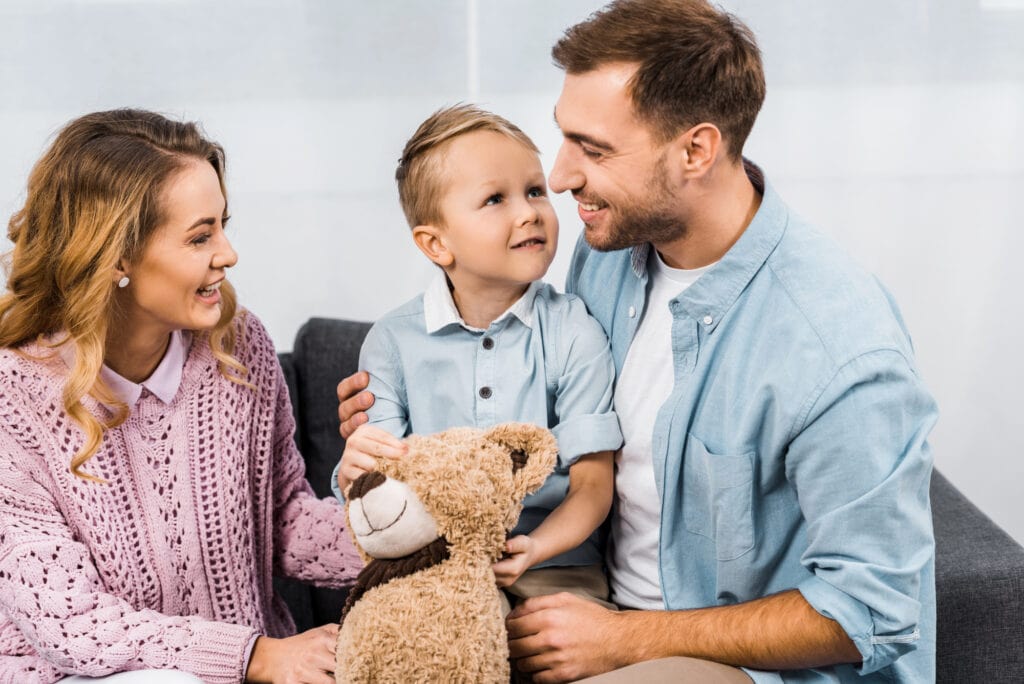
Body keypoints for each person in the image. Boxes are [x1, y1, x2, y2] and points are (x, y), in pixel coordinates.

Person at [337, 1, 938, 683]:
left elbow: (869, 613)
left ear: (696, 150)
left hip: (740, 666)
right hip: (589, 613)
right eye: (565, 140)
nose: (560, 179)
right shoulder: (613, 254)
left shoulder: (836, 349)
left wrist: (626, 640)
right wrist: (395, 439)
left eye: (592, 150)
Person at [0, 109, 362, 684]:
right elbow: (70, 623)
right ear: (115, 255)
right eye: (200, 236)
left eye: (223, 224)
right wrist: (253, 656)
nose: (228, 253)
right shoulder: (13, 397)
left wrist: (401, 530)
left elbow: (282, 520)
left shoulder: (239, 348)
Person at [331, 104, 622, 612]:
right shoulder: (392, 342)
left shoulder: (574, 332)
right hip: (431, 571)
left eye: (535, 191)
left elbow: (594, 486)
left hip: (557, 569)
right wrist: (352, 474)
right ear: (436, 243)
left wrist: (538, 547)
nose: (529, 211)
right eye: (495, 199)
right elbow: (382, 485)